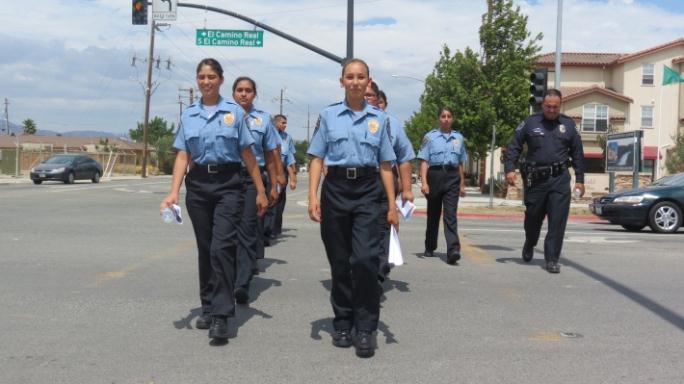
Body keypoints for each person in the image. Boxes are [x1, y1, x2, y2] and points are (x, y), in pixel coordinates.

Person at [160, 58, 268, 341]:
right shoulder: (189, 115)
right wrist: (174, 191)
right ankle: (207, 306)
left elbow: (247, 154)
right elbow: (183, 154)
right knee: (207, 249)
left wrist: (260, 190)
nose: (206, 81)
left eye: (211, 77)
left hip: (228, 185)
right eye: (201, 77)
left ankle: (222, 314)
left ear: (220, 80)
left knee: (222, 247)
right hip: (198, 187)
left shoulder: (234, 112)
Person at [307, 58, 398, 358]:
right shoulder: (329, 115)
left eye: (361, 77)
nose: (356, 82)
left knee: (365, 261)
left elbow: (386, 164)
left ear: (369, 82)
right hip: (336, 191)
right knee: (340, 263)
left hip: (368, 191)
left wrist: (392, 205)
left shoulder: (379, 119)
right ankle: (343, 323)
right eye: (350, 77)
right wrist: (313, 196)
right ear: (341, 81)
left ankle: (366, 328)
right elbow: (317, 158)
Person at [504, 89, 585, 274]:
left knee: (557, 221)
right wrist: (510, 169)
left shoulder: (568, 125)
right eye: (548, 106)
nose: (551, 109)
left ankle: (552, 259)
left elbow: (578, 154)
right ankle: (530, 242)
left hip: (559, 179)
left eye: (555, 107)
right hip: (536, 180)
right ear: (543, 105)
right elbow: (514, 145)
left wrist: (580, 179)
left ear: (560, 105)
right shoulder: (530, 122)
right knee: (533, 218)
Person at [232, 76, 281, 304]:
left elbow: (271, 155)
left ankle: (242, 283)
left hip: (253, 180)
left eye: (248, 90)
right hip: (228, 179)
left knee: (247, 229)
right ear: (233, 93)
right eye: (240, 90)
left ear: (254, 94)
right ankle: (227, 275)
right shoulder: (224, 116)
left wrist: (273, 185)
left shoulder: (263, 121)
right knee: (225, 232)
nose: (244, 94)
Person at [364, 84, 415, 281]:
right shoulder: (347, 119)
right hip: (359, 182)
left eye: (371, 95)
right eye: (365, 94)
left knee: (383, 225)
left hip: (384, 182)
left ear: (378, 99)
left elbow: (404, 157)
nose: (367, 97)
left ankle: (379, 266)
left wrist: (407, 189)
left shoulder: (391, 123)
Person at [417, 107, 467, 265]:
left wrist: (462, 184)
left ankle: (453, 250)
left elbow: (460, 163)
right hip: (435, 176)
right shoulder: (430, 137)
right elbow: (424, 161)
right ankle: (430, 246)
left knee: (450, 214)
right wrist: (424, 182)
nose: (446, 119)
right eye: (443, 116)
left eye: (449, 116)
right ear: (439, 118)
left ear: (452, 119)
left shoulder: (459, 138)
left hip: (452, 177)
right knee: (433, 214)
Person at [264, 114, 297, 240]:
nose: (285, 125)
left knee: (280, 201)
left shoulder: (287, 137)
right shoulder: (270, 133)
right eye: (282, 123)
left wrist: (293, 176)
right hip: (271, 169)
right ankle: (268, 229)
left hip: (283, 170)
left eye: (285, 123)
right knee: (272, 200)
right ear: (276, 123)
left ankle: (275, 228)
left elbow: (289, 157)